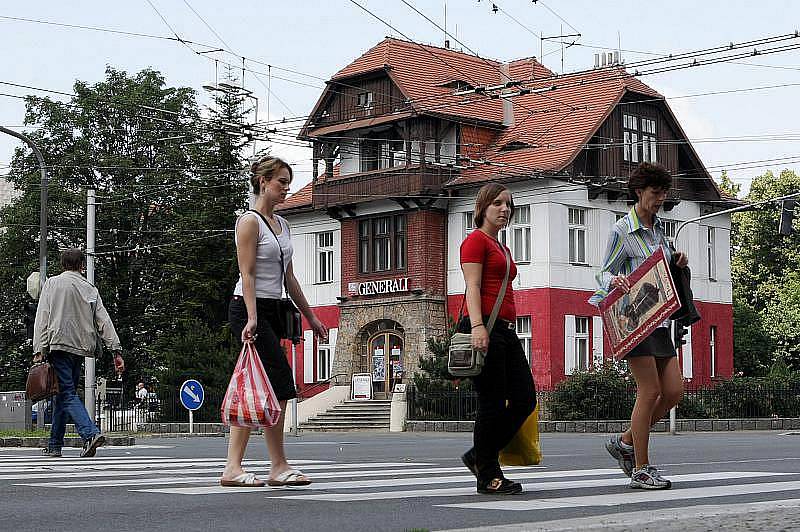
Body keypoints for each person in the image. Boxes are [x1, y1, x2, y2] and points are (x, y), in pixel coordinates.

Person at [221, 155, 327, 487]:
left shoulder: (283, 225)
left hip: (272, 309)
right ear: (263, 181)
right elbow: (247, 273)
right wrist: (252, 318)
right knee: (278, 383)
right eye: (281, 181)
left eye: (288, 182)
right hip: (247, 308)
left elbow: (289, 278)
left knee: (261, 387)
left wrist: (312, 317)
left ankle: (248, 467)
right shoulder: (249, 222)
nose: (286, 188)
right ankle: (268, 466)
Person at [590, 162, 689, 490]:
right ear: (639, 192)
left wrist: (678, 260)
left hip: (659, 321)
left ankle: (625, 442)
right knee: (650, 391)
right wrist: (614, 279)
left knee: (673, 391)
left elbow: (663, 268)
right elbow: (602, 271)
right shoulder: (622, 230)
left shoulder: (661, 231)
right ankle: (641, 468)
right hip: (632, 320)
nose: (660, 198)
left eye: (663, 193)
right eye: (654, 192)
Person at [458, 183, 537, 495]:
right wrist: (478, 327)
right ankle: (488, 474)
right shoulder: (475, 242)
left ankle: (479, 455)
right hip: (486, 328)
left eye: (508, 204)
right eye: (498, 204)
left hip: (505, 330)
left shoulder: (501, 246)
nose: (505, 209)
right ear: (482, 208)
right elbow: (472, 286)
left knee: (524, 399)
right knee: (491, 403)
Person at [33, 248, 125, 458]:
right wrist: (116, 351)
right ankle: (54, 444)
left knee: (65, 394)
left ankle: (89, 433)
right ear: (82, 265)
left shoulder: (52, 284)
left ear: (62, 264)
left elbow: (43, 317)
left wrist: (39, 349)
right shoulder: (89, 288)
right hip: (81, 348)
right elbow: (104, 321)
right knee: (63, 394)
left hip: (58, 345)